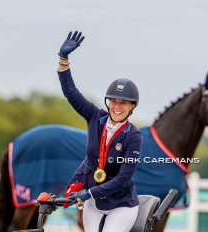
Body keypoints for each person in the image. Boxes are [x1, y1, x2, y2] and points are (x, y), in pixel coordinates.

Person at [57, 31, 143, 232]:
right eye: (113, 100)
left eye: (123, 102)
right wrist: (63, 60)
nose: (117, 106)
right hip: (94, 202)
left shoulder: (134, 137)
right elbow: (71, 93)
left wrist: (89, 193)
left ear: (132, 107)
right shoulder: (95, 117)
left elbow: (124, 179)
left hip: (121, 204)